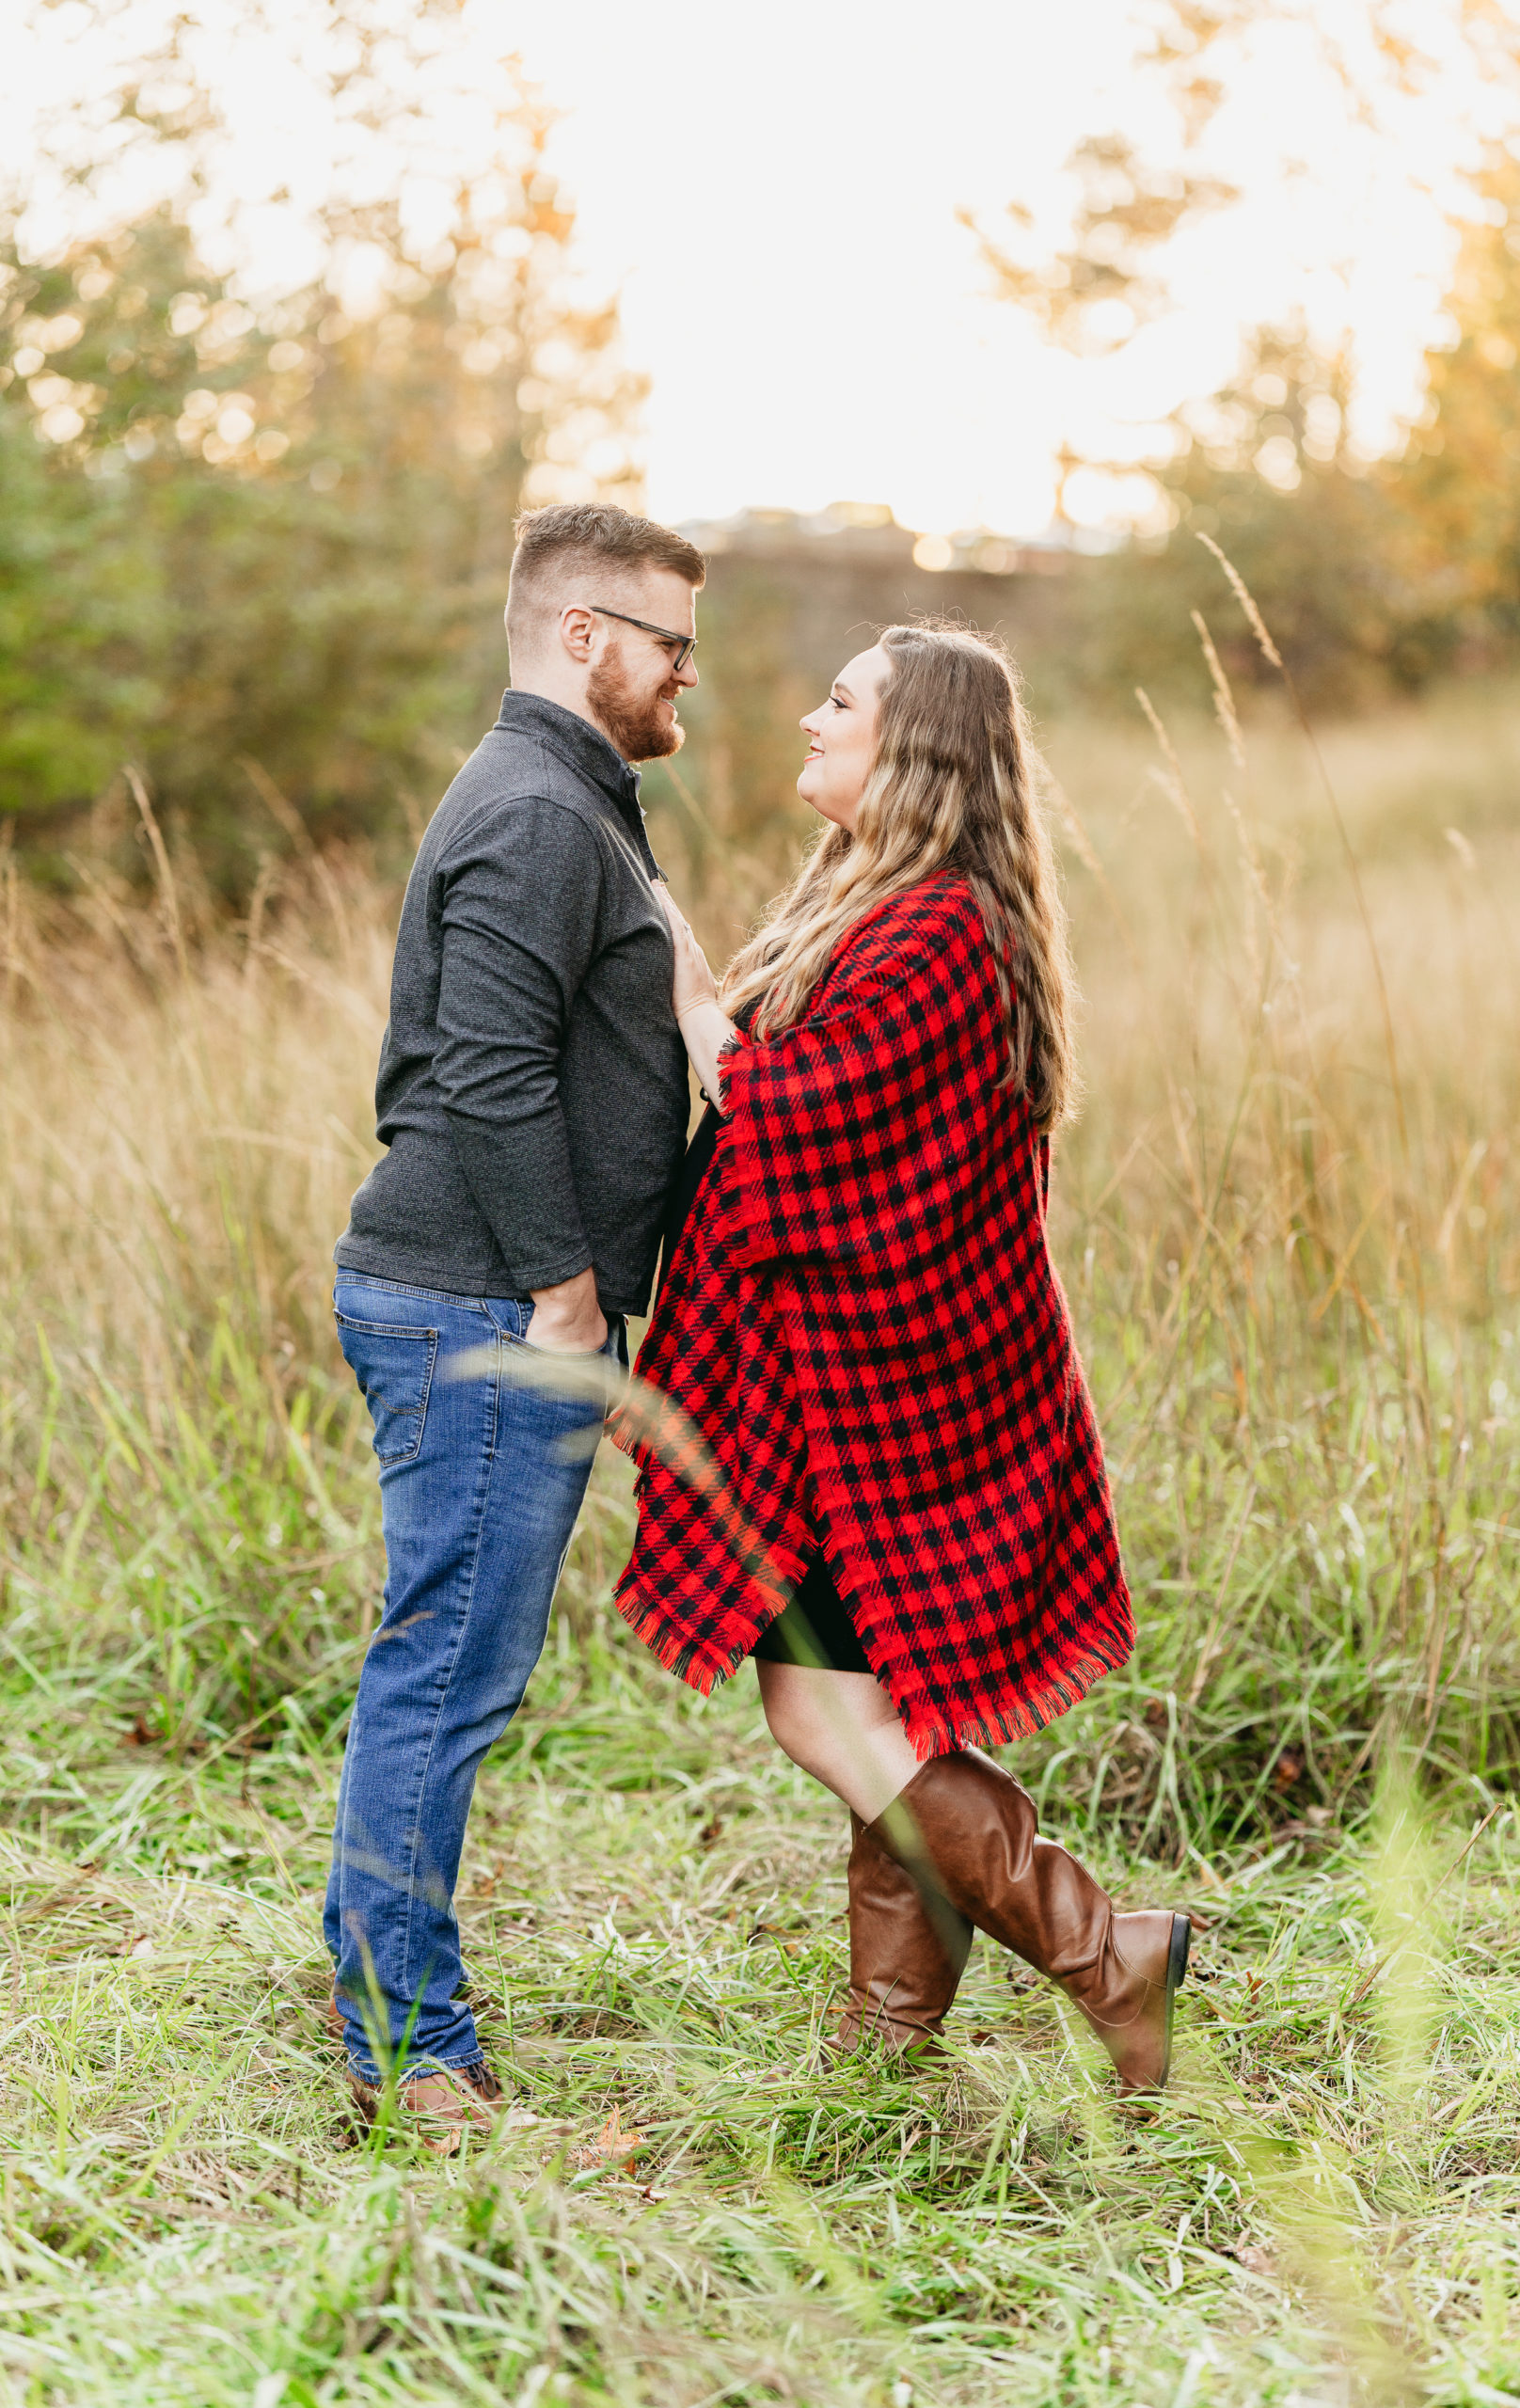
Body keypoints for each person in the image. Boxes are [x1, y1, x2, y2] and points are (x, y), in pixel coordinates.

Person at [611, 624, 1189, 2095]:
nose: (809, 718)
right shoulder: (881, 900)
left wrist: (694, 1008)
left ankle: (1104, 1952)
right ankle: (889, 2042)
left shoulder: (936, 928)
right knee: (877, 1706)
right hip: (857, 1395)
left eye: (843, 703)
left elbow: (801, 1120)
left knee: (827, 1705)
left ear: (915, 746)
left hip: (895, 1403)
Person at [326, 501, 705, 2147]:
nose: (689, 670)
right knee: (446, 1678)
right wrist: (563, 1295)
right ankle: (408, 2049)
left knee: (446, 1663)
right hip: (476, 1306)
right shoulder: (544, 814)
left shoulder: (573, 807)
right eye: (669, 641)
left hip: (477, 1293)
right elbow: (483, 1072)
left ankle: (385, 1994)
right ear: (579, 636)